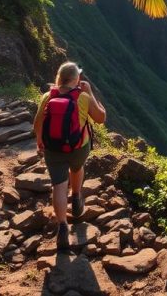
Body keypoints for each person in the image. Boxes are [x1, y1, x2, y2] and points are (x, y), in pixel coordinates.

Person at [33, 62, 106, 251]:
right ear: (77, 79)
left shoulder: (48, 97)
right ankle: (76, 197)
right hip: (78, 148)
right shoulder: (83, 97)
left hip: (53, 149)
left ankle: (63, 226)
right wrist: (91, 94)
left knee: (58, 185)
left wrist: (40, 141)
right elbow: (100, 118)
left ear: (59, 78)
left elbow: (37, 122)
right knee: (76, 167)